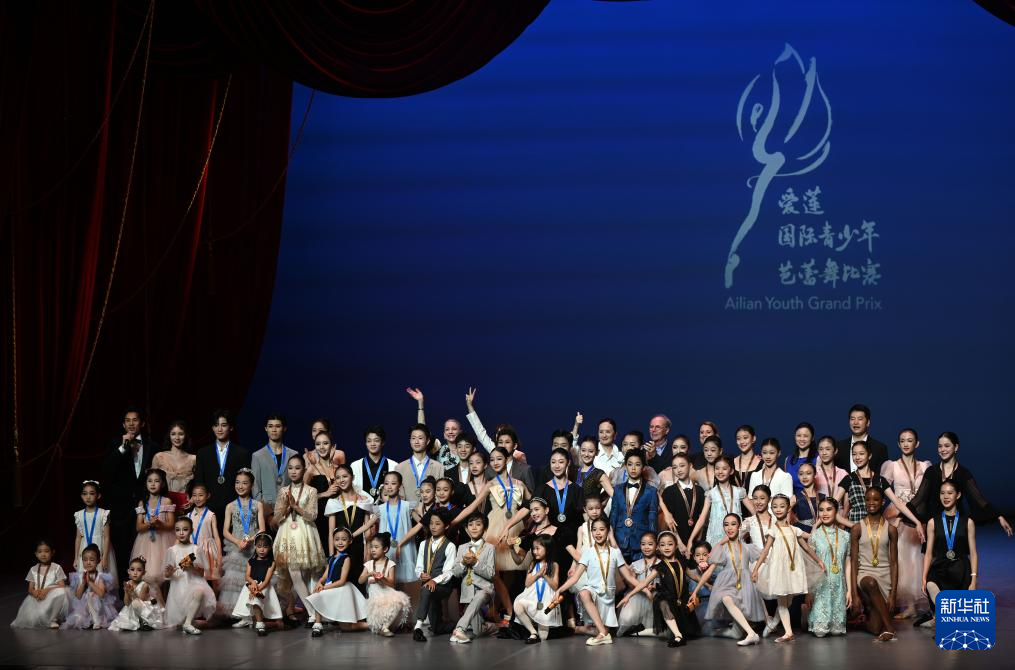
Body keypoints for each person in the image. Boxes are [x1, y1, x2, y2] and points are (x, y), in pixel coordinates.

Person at [452, 447, 531, 621]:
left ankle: (501, 610)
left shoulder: (520, 484)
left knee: (512, 571)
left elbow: (532, 505)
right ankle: (507, 611)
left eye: (499, 459)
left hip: (515, 527)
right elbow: (472, 508)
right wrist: (453, 522)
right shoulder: (491, 484)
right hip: (495, 528)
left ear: (507, 460)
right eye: (492, 459)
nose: (495, 462)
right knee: (494, 572)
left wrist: (530, 527)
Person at [750, 494, 826, 643]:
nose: (778, 509)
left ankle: (774, 623)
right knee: (782, 601)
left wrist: (818, 561)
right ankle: (789, 633)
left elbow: (807, 547)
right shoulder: (773, 530)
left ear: (788, 508)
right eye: (775, 507)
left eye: (782, 506)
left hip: (793, 569)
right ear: (771, 509)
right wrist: (756, 569)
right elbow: (765, 550)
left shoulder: (795, 530)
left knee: (787, 601)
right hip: (779, 569)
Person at [552, 517, 639, 646]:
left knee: (602, 631)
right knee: (584, 593)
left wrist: (645, 588)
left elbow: (629, 577)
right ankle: (602, 633)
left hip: (607, 595)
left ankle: (597, 632)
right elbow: (575, 577)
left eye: (601, 529)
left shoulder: (615, 553)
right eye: (594, 530)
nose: (598, 533)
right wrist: (560, 590)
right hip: (593, 591)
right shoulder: (588, 553)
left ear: (608, 531)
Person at [907, 431, 1013, 535]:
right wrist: (901, 514)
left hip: (957, 527)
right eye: (940, 446)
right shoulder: (931, 472)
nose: (942, 449)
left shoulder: (964, 473)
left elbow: (979, 499)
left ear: (956, 447)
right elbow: (919, 498)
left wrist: (999, 516)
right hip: (934, 527)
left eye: (947, 446)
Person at [691, 514, 766, 646]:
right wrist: (695, 591)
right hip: (727, 583)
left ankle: (715, 633)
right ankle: (752, 634)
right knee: (726, 597)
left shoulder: (748, 547)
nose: (729, 528)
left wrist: (755, 571)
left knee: (736, 634)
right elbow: (709, 571)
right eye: (726, 525)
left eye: (733, 524)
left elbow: (763, 556)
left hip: (745, 586)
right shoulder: (722, 549)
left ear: (739, 526)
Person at [102, 407, 157, 584]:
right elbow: (107, 471)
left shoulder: (152, 446)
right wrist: (122, 448)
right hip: (121, 508)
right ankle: (124, 592)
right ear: (123, 425)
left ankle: (143, 591)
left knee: (144, 549)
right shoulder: (115, 444)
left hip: (145, 505)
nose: (131, 424)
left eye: (135, 420)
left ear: (142, 423)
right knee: (122, 551)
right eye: (128, 420)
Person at [914, 481, 979, 628]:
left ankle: (938, 619)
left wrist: (974, 580)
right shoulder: (932, 522)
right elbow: (928, 553)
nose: (946, 496)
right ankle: (945, 618)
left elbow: (974, 553)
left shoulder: (968, 522)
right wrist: (924, 578)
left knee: (962, 615)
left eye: (950, 493)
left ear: (958, 495)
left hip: (961, 569)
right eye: (942, 493)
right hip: (940, 568)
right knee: (931, 584)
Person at [880, 428, 931, 617]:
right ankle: (908, 605)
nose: (906, 444)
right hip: (899, 516)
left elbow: (928, 493)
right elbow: (882, 491)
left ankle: (920, 603)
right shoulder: (892, 466)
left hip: (919, 517)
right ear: (898, 444)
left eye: (910, 440)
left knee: (918, 559)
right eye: (902, 440)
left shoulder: (925, 466)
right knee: (902, 559)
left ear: (917, 443)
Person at [619, 530, 701, 646]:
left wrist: (709, 585)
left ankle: (637, 632)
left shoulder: (682, 562)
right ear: (658, 548)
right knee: (663, 603)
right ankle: (678, 637)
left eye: (670, 544)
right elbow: (644, 582)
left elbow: (694, 576)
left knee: (678, 631)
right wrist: (629, 595)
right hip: (667, 597)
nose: (666, 547)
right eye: (663, 545)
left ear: (676, 546)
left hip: (681, 599)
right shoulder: (660, 566)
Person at [271, 454, 325, 625]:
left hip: (305, 532)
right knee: (294, 573)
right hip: (287, 533)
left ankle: (314, 613)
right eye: (290, 468)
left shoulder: (311, 490)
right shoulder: (283, 491)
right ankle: (312, 612)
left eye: (297, 468)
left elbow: (313, 515)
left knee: (307, 575)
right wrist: (288, 508)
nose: (293, 471)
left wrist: (297, 507)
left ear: (303, 470)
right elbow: (276, 518)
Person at [835, 441, 925, 540]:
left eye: (861, 453)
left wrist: (917, 522)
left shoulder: (880, 480)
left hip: (876, 532)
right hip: (856, 533)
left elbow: (898, 503)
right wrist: (853, 525)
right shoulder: (848, 479)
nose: (857, 457)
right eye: (854, 454)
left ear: (869, 456)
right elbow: (831, 506)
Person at [850, 487, 898, 642]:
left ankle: (858, 623)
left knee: (875, 628)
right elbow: (853, 562)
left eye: (876, 499)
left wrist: (893, 594)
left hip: (884, 577)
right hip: (865, 575)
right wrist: (855, 595)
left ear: (882, 502)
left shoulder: (891, 529)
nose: (871, 503)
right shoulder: (857, 528)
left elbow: (894, 563)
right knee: (871, 582)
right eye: (868, 499)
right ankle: (890, 629)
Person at [219, 468, 267, 624]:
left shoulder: (258, 505)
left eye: (245, 483)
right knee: (236, 580)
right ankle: (243, 615)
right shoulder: (230, 506)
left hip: (253, 547)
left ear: (251, 485)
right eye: (237, 482)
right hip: (237, 547)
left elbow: (262, 528)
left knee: (253, 579)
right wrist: (238, 542)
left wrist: (251, 540)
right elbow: (225, 531)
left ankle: (253, 613)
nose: (240, 486)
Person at [193, 410, 251, 535]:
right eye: (216, 425)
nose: (219, 429)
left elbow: (247, 482)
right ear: (212, 428)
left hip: (234, 507)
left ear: (231, 427)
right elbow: (199, 481)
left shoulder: (242, 453)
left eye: (224, 425)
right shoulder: (203, 453)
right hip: (209, 508)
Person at [306, 527, 370, 636]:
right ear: (333, 540)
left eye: (344, 539)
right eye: (337, 539)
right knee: (317, 595)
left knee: (346, 627)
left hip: (341, 589)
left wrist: (324, 587)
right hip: (331, 587)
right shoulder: (331, 558)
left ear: (350, 541)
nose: (340, 542)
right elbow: (325, 576)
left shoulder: (346, 559)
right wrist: (320, 582)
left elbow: (342, 581)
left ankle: (372, 624)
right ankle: (318, 624)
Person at [162, 517, 217, 635]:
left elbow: (202, 573)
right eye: (178, 530)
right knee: (180, 617)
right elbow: (166, 575)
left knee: (199, 592)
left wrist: (191, 566)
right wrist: (169, 572)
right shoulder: (172, 550)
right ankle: (187, 622)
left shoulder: (196, 549)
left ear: (191, 531)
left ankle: (187, 623)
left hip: (193, 583)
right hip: (179, 585)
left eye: (185, 529)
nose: (181, 533)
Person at [449, 512, 497, 643]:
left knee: (480, 596)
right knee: (478, 631)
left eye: (478, 524)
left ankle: (459, 629)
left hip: (485, 590)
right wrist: (463, 563)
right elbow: (455, 573)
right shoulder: (462, 548)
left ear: (485, 528)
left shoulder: (490, 548)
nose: (474, 527)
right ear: (466, 529)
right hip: (468, 593)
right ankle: (494, 627)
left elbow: (491, 573)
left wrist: (475, 562)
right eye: (470, 525)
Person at [411, 511, 458, 642]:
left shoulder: (450, 546)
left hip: (443, 586)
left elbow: (449, 572)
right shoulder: (423, 544)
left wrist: (434, 581)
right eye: (431, 523)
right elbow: (418, 566)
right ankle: (459, 625)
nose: (433, 526)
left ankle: (417, 628)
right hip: (427, 586)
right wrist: (421, 574)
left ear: (446, 526)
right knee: (437, 628)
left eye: (437, 524)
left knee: (426, 590)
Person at [807, 498, 851, 637]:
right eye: (821, 510)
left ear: (836, 511)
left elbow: (848, 564)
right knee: (820, 632)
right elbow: (810, 565)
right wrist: (808, 592)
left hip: (839, 586)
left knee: (837, 632)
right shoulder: (814, 536)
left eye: (829, 509)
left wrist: (849, 590)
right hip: (821, 587)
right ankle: (807, 617)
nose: (824, 513)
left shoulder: (846, 536)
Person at [323, 464, 373, 586]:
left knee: (358, 586)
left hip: (358, 550)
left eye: (345, 476)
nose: (341, 480)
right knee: (339, 586)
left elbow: (367, 530)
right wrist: (331, 556)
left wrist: (368, 554)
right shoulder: (333, 502)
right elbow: (331, 532)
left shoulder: (364, 501)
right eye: (338, 477)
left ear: (352, 477)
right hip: (340, 552)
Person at [129, 468, 176, 591]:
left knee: (163, 573)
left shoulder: (166, 501)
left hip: (163, 540)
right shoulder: (142, 503)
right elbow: (139, 527)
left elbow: (171, 524)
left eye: (156, 481)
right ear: (146, 483)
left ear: (163, 484)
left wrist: (159, 523)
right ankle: (150, 600)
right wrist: (150, 523)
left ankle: (163, 599)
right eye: (150, 481)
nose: (153, 484)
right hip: (145, 541)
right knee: (148, 572)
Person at [609, 450, 658, 562]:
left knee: (639, 571)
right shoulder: (618, 489)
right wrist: (611, 539)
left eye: (638, 464)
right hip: (619, 540)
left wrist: (652, 541)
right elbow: (613, 515)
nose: (633, 468)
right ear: (625, 466)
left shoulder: (651, 491)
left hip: (641, 542)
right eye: (630, 464)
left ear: (643, 467)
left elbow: (652, 519)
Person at [359, 533, 411, 636]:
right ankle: (382, 626)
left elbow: (392, 584)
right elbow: (360, 580)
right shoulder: (369, 564)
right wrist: (369, 574)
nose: (373, 550)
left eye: (376, 547)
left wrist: (382, 578)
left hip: (387, 595)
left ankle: (385, 628)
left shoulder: (390, 564)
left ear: (385, 549)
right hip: (375, 598)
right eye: (371, 547)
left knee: (401, 601)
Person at [231, 533, 282, 636]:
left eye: (265, 547)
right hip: (251, 586)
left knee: (256, 601)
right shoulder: (251, 561)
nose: (262, 550)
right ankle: (254, 621)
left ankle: (260, 624)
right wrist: (253, 583)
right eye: (259, 546)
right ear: (255, 547)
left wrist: (257, 590)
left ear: (270, 547)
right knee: (253, 605)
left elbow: (267, 580)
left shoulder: (271, 562)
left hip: (263, 586)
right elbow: (247, 576)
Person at [513, 534, 561, 643]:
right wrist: (538, 574)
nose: (535, 551)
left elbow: (555, 586)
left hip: (546, 601)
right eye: (533, 549)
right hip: (532, 598)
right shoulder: (533, 564)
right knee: (518, 605)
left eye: (538, 548)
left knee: (543, 637)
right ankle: (533, 632)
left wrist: (545, 576)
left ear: (547, 549)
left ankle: (538, 633)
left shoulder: (554, 565)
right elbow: (527, 583)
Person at [11, 539, 68, 629]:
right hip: (37, 599)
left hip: (50, 599)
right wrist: (34, 592)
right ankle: (41, 617)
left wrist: (47, 590)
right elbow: (30, 589)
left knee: (62, 592)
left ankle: (52, 619)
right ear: (36, 554)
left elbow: (62, 585)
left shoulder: (56, 568)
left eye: (46, 551)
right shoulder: (33, 569)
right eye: (40, 552)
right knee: (33, 620)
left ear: (52, 553)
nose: (43, 554)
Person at [690, 457, 746, 549]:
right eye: (717, 468)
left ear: (731, 471)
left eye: (724, 469)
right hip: (716, 537)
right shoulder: (711, 494)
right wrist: (691, 540)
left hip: (735, 537)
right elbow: (702, 518)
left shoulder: (739, 492)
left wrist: (745, 527)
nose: (720, 472)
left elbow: (755, 514)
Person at [463, 387, 528, 463]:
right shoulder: (494, 449)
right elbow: (480, 432)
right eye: (497, 433)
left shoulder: (519, 455)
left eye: (502, 433)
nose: (499, 435)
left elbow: (523, 470)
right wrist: (469, 405)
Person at [62, 544, 119, 629]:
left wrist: (90, 583)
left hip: (99, 607)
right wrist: (83, 583)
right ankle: (89, 620)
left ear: (98, 561)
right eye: (85, 560)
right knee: (78, 619)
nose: (88, 562)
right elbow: (78, 596)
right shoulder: (81, 576)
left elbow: (101, 594)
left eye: (92, 560)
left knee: (91, 595)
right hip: (85, 607)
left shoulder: (100, 576)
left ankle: (97, 621)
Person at [407, 387, 464, 469]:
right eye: (447, 429)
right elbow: (422, 430)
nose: (450, 432)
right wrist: (420, 403)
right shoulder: (437, 448)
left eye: (454, 429)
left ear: (460, 432)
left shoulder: (466, 450)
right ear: (444, 434)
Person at [73, 480, 116, 587]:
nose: (88, 497)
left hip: (100, 547)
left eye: (91, 493)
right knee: (84, 579)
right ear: (81, 496)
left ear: (98, 495)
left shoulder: (103, 514)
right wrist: (76, 557)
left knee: (100, 579)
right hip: (84, 548)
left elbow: (106, 537)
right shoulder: (79, 515)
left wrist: (105, 557)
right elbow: (78, 538)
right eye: (85, 494)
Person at [660, 454, 706, 555]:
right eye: (675, 467)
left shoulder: (699, 491)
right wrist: (679, 543)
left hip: (695, 542)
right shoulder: (669, 491)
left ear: (690, 466)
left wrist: (698, 542)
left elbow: (701, 519)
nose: (679, 470)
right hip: (676, 543)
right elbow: (669, 521)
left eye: (682, 465)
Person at [251, 412, 298, 511]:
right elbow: (255, 488)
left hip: (289, 508)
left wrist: (291, 506)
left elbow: (298, 484)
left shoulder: (293, 454)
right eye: (270, 426)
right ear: (266, 428)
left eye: (278, 426)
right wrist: (267, 512)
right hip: (267, 510)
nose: (274, 430)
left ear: (284, 428)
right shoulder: (257, 456)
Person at [616, 531, 659, 637]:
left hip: (655, 595)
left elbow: (665, 582)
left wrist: (654, 586)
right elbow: (631, 583)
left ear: (657, 546)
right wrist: (641, 587)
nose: (646, 547)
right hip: (638, 595)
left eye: (650, 544)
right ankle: (635, 629)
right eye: (643, 544)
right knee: (626, 618)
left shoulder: (660, 563)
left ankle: (644, 630)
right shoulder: (636, 564)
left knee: (653, 623)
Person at [306, 430, 343, 547]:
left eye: (325, 443)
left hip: (338, 517)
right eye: (318, 444)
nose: (321, 447)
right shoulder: (311, 469)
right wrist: (324, 494)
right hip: (319, 519)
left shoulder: (338, 468)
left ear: (332, 446)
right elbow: (301, 497)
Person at [109, 557, 166, 631]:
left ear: (144, 572)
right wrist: (126, 592)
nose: (135, 573)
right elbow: (127, 603)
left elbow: (139, 602)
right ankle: (134, 622)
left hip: (143, 607)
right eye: (132, 570)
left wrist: (132, 592)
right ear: (128, 571)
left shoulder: (144, 585)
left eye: (139, 570)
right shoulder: (128, 583)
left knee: (135, 604)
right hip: (132, 606)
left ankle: (144, 622)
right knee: (129, 610)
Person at [151, 420, 196, 509]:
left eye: (181, 434)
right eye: (173, 434)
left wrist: (193, 498)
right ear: (169, 436)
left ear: (186, 436)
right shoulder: (159, 457)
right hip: (162, 504)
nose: (177, 438)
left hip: (184, 505)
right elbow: (151, 482)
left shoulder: (193, 459)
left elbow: (199, 484)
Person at [395, 424, 444, 502]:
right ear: (410, 441)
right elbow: (400, 497)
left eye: (420, 438)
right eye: (413, 438)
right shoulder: (400, 468)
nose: (416, 441)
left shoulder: (439, 467)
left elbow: (440, 495)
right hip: (408, 509)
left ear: (427, 441)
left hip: (432, 509)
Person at [834, 404, 889, 474]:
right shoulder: (838, 447)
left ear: (868, 423)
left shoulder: (880, 448)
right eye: (852, 419)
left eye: (860, 419)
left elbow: (883, 476)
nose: (855, 422)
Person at [185, 481, 222, 584]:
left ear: (207, 496)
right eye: (194, 495)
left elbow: (216, 537)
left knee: (209, 579)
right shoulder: (188, 516)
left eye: (201, 495)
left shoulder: (211, 515)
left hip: (206, 551)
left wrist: (219, 555)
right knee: (189, 578)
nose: (197, 498)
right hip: (191, 551)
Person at [350, 426, 398, 501]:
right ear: (365, 443)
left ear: (383, 442)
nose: (372, 444)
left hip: (386, 507)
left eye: (376, 440)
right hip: (362, 506)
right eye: (369, 441)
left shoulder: (393, 465)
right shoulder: (355, 465)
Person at [747, 438, 793, 504]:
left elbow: (786, 503)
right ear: (761, 453)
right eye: (764, 453)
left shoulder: (785, 477)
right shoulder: (755, 475)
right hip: (756, 510)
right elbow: (751, 500)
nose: (768, 456)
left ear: (779, 453)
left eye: (772, 453)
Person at [791, 462, 824, 532]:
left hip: (821, 532)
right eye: (801, 474)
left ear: (815, 475)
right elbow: (786, 520)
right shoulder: (795, 497)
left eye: (808, 473)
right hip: (802, 533)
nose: (804, 477)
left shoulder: (823, 497)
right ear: (798, 476)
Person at [785, 422, 817, 489]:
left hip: (812, 495)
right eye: (799, 435)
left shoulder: (818, 458)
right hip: (791, 495)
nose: (802, 439)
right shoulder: (788, 459)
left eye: (805, 436)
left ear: (812, 438)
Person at [731, 425, 761, 490]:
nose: (741, 442)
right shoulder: (730, 462)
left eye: (745, 438)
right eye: (738, 439)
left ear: (753, 438)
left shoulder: (762, 463)